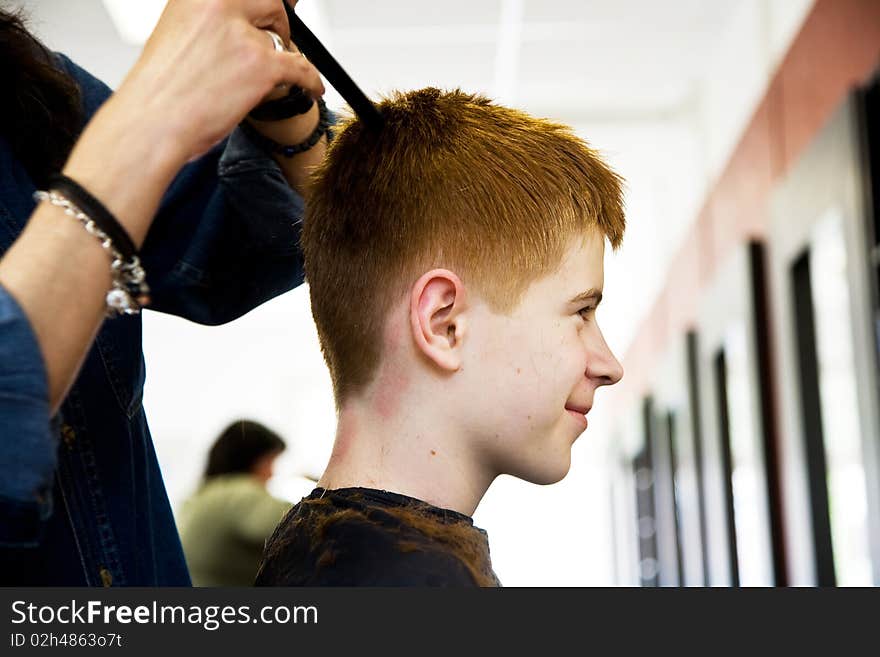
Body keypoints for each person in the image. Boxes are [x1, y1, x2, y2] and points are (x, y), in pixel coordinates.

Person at [0, 0, 328, 585]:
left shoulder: (25, 81)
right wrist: (153, 113)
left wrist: (282, 112)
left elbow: (212, 251)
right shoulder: (235, 501)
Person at [255, 88, 625, 586]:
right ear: (444, 324)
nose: (608, 365)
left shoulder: (329, 551)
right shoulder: (402, 581)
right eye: (581, 312)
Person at [178, 420, 291, 586]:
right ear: (252, 459)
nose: (272, 473)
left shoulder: (202, 495)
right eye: (270, 462)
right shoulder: (240, 494)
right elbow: (298, 524)